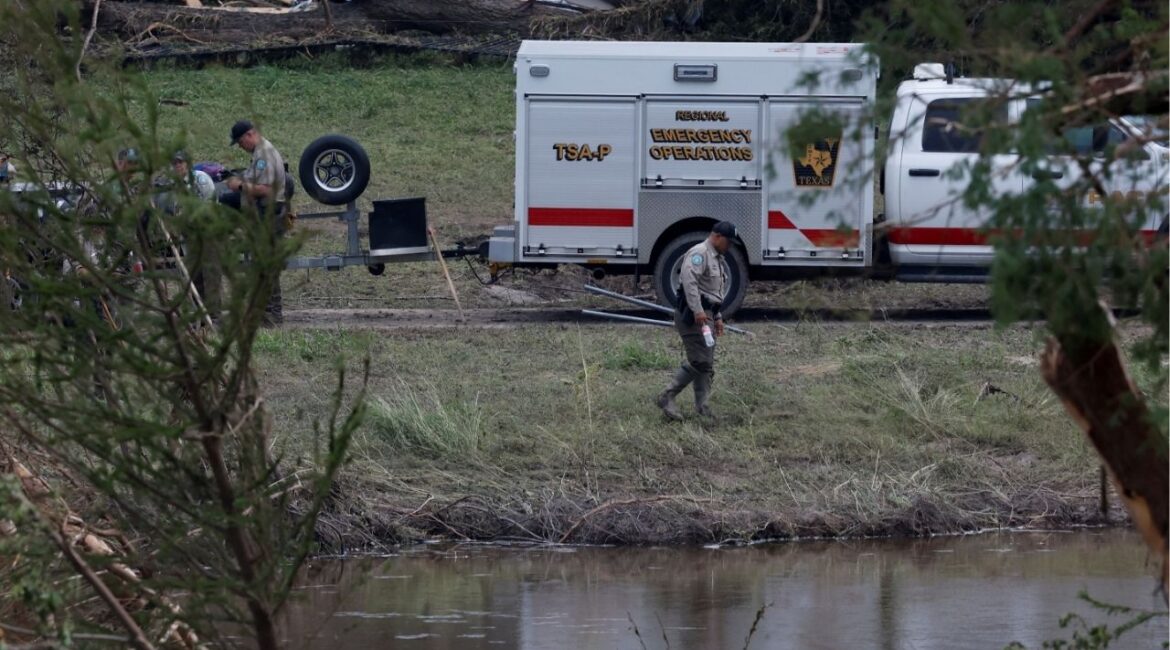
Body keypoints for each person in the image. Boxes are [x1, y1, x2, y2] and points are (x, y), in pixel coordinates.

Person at [655, 221, 737, 421]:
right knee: (700, 360)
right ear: (717, 236)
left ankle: (703, 407)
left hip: (706, 313)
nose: (730, 246)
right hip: (692, 315)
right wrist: (698, 311)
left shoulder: (717, 257)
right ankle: (667, 396)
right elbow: (690, 283)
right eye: (728, 241)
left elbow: (711, 291)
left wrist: (717, 316)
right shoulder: (699, 253)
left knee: (706, 364)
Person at [221, 119, 287, 326]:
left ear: (250, 135)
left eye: (241, 142)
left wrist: (239, 186)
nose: (241, 147)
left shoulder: (264, 154)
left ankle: (272, 315)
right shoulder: (260, 153)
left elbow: (266, 189)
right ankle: (266, 312)